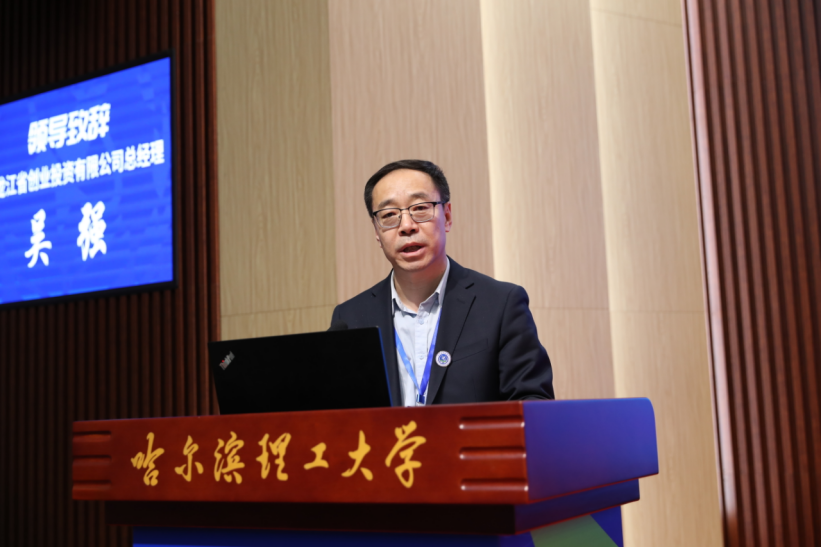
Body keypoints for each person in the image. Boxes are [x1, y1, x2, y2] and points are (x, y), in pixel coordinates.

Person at [330, 159, 554, 406]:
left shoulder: (499, 305)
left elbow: (533, 404)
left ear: (447, 216)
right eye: (389, 215)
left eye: (420, 208)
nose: (406, 226)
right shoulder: (350, 319)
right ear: (376, 231)